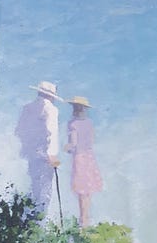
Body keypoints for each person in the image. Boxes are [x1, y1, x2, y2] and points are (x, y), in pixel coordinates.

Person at [15, 81, 61, 213]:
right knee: (45, 190)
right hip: (45, 155)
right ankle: (40, 219)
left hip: (31, 154)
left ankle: (30, 216)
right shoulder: (51, 109)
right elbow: (51, 132)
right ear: (51, 96)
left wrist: (28, 144)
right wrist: (52, 155)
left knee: (34, 186)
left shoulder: (27, 108)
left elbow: (18, 131)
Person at [64, 96, 102, 227]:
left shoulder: (72, 124)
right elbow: (91, 141)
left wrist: (67, 148)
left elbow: (73, 144)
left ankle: (83, 221)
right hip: (89, 157)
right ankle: (86, 219)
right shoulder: (89, 123)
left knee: (81, 191)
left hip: (79, 158)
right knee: (88, 191)